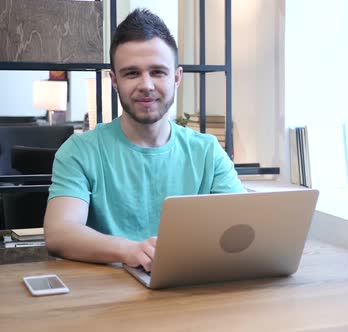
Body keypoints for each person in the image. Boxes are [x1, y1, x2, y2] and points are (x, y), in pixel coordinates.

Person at [44, 9, 245, 272]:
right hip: (107, 300)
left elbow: (242, 228)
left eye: (158, 72)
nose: (146, 85)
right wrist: (130, 250)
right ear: (114, 81)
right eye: (131, 73)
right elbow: (60, 232)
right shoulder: (79, 151)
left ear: (176, 77)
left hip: (192, 292)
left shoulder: (207, 151)